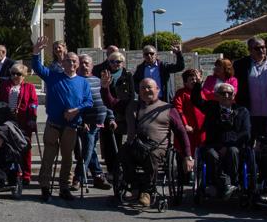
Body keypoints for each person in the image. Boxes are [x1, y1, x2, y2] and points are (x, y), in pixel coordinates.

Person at [104, 78, 193, 208]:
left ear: (157, 89)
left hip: (157, 147)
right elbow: (111, 103)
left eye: (149, 87)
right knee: (123, 153)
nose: (146, 90)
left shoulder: (168, 108)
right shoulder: (131, 105)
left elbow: (181, 132)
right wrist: (105, 88)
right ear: (139, 91)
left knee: (150, 156)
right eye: (143, 88)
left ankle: (147, 191)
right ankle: (134, 187)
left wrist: (187, 156)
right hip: (134, 144)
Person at [31, 38, 93, 201]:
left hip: (71, 126)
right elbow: (37, 67)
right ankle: (44, 186)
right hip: (53, 124)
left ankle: (64, 187)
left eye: (74, 61)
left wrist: (76, 110)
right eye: (68, 61)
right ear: (62, 63)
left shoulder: (83, 82)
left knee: (67, 159)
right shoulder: (53, 76)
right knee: (48, 158)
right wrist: (36, 52)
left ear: (78, 64)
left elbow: (88, 101)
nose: (71, 63)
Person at [196, 82, 251, 198]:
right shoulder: (211, 108)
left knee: (233, 151)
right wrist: (197, 84)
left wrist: (228, 145)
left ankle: (233, 182)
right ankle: (223, 184)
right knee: (211, 154)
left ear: (234, 95)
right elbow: (196, 100)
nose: (226, 96)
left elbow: (245, 133)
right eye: (222, 93)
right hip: (214, 144)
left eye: (229, 93)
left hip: (234, 145)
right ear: (216, 96)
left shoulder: (242, 111)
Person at [234, 37, 267, 139]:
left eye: (263, 47)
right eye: (257, 48)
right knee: (249, 142)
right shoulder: (240, 65)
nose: (261, 50)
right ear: (250, 50)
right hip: (249, 112)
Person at [0, 63, 38, 185]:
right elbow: (0, 100)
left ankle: (26, 174)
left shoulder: (29, 87)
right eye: (13, 73)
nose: (15, 76)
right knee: (9, 148)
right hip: (8, 121)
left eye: (18, 74)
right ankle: (12, 173)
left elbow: (33, 103)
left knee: (25, 148)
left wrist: (32, 117)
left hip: (24, 121)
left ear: (24, 75)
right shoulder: (5, 86)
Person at [77, 54, 110, 190]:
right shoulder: (76, 81)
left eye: (87, 63)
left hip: (100, 121)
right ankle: (79, 177)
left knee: (90, 149)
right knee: (89, 148)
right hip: (85, 123)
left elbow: (107, 101)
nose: (85, 66)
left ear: (92, 65)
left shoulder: (98, 81)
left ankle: (97, 175)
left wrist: (111, 118)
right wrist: (81, 120)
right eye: (82, 63)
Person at [172, 69, 206, 173]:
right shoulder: (181, 93)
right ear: (185, 82)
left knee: (202, 149)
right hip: (187, 127)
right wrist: (185, 125)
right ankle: (185, 172)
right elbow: (178, 110)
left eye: (196, 79)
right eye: (191, 79)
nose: (194, 81)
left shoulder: (203, 92)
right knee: (186, 150)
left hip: (201, 128)